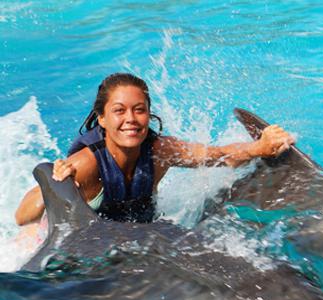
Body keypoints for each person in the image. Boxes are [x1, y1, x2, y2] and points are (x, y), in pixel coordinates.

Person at [15, 73, 295, 226]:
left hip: (135, 234)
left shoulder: (161, 150)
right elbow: (22, 217)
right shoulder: (86, 164)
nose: (131, 120)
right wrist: (54, 184)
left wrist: (260, 147)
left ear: (149, 115)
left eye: (139, 110)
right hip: (83, 240)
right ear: (102, 118)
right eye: (119, 111)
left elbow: (218, 155)